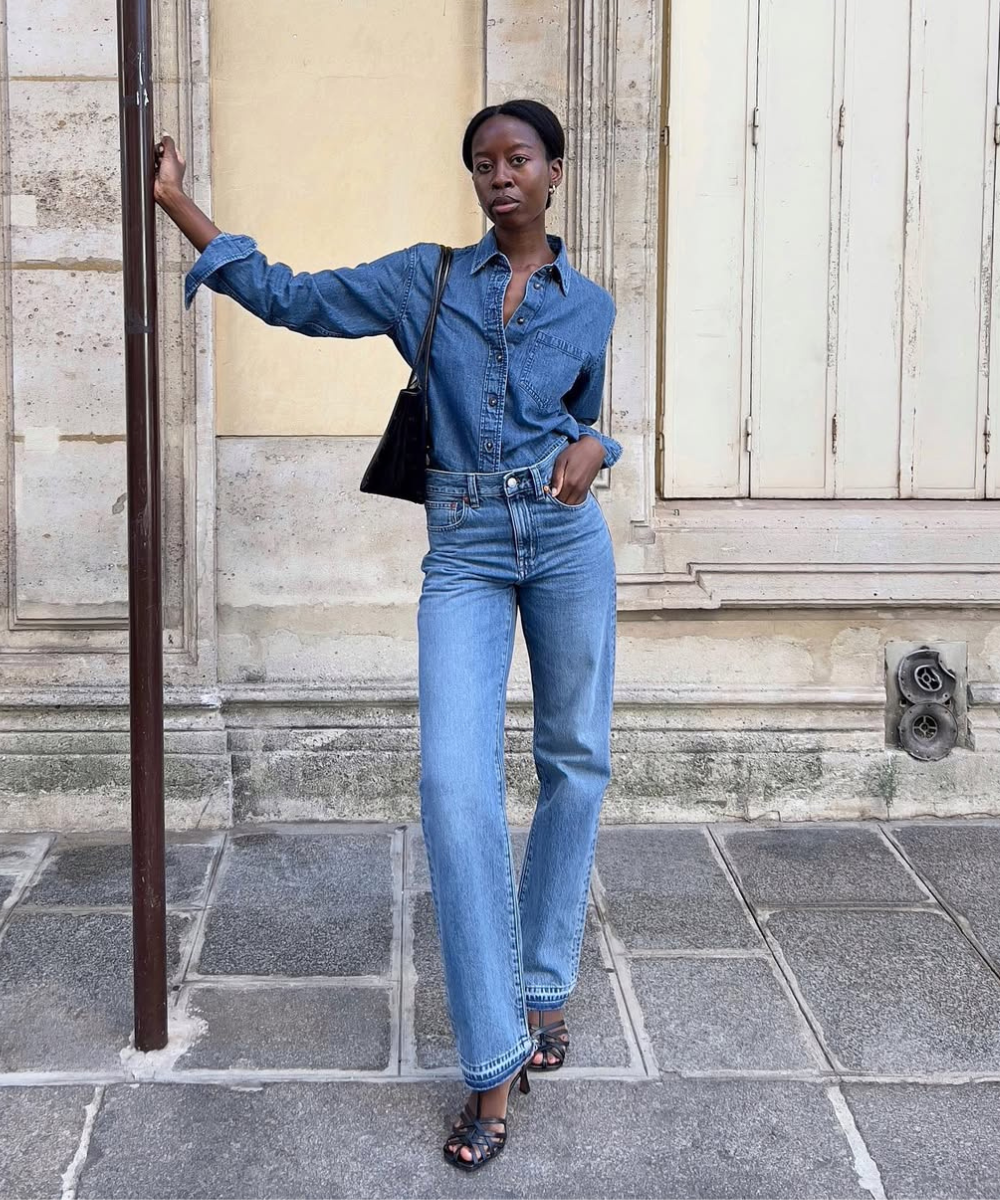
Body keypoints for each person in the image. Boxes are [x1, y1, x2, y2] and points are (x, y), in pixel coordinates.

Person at [154, 98, 619, 1172]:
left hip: (561, 541)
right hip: (460, 541)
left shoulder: (588, 304)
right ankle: (494, 1058)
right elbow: (288, 297)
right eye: (480, 162)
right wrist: (181, 203)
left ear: (554, 171)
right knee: (453, 789)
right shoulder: (429, 278)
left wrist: (602, 444)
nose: (497, 175)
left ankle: (544, 991)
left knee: (574, 763)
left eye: (516, 158)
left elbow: (592, 413)